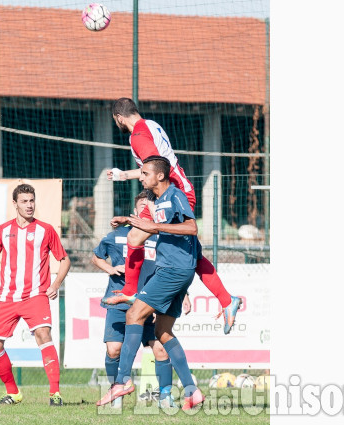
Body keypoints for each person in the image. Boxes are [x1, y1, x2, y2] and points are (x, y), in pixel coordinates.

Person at [102, 97, 242, 335]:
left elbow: (157, 167)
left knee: (150, 242)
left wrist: (140, 191)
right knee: (185, 252)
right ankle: (227, 299)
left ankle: (131, 290)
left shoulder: (137, 136)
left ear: (119, 117)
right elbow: (157, 166)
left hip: (172, 196)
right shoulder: (150, 124)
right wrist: (128, 177)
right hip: (169, 192)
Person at [96, 156, 205, 411]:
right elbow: (152, 228)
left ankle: (121, 382)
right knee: (163, 333)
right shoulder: (161, 201)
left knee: (134, 314)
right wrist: (131, 220)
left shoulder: (174, 194)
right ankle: (192, 390)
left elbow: (192, 228)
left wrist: (154, 226)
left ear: (160, 176)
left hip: (173, 270)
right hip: (178, 270)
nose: (141, 177)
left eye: (144, 173)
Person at [0, 183, 71, 407]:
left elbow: (64, 260)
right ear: (15, 204)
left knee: (44, 334)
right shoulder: (3, 230)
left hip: (36, 296)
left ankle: (55, 394)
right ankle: (13, 393)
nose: (29, 205)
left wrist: (56, 283)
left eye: (32, 201)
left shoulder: (46, 230)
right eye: (24, 201)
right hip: (7, 298)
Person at [92, 190, 181, 408]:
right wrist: (111, 268)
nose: (144, 210)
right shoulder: (116, 236)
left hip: (149, 303)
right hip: (119, 301)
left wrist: (183, 294)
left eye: (148, 207)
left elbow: (173, 267)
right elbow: (95, 257)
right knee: (113, 349)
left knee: (160, 348)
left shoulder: (161, 237)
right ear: (134, 211)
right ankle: (117, 392)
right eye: (141, 206)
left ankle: (166, 397)